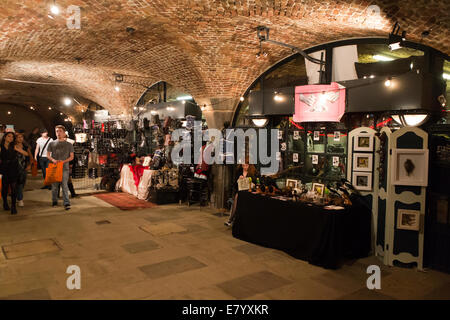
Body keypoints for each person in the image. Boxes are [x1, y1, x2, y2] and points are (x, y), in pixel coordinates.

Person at [46, 125, 74, 210]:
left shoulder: (69, 144)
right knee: (54, 186)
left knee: (64, 185)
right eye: (57, 131)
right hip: (54, 167)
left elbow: (71, 157)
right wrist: (53, 160)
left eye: (60, 131)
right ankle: (54, 200)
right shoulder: (51, 143)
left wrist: (64, 161)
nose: (58, 133)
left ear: (64, 132)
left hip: (64, 168)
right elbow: (47, 155)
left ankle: (66, 203)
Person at [224, 162, 259, 227]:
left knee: (242, 197)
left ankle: (233, 220)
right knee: (237, 196)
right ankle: (230, 219)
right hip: (240, 192)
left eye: (246, 164)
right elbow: (234, 185)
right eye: (243, 163)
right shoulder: (239, 172)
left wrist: (253, 184)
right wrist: (238, 180)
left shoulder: (253, 172)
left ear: (250, 165)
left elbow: (257, 183)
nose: (244, 165)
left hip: (249, 192)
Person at [0, 131, 20, 214]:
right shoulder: (0, 147)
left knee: (14, 188)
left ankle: (13, 206)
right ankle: (5, 202)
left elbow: (26, 153)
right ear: (5, 137)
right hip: (4, 168)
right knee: (4, 187)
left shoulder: (14, 146)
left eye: (12, 137)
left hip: (13, 168)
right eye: (9, 136)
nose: (11, 138)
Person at [15, 132, 33, 207]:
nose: (20, 139)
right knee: (18, 183)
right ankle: (20, 199)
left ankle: (18, 195)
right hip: (14, 167)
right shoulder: (12, 146)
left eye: (21, 137)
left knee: (22, 183)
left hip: (23, 167)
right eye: (18, 137)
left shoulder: (25, 147)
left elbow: (30, 157)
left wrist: (29, 165)